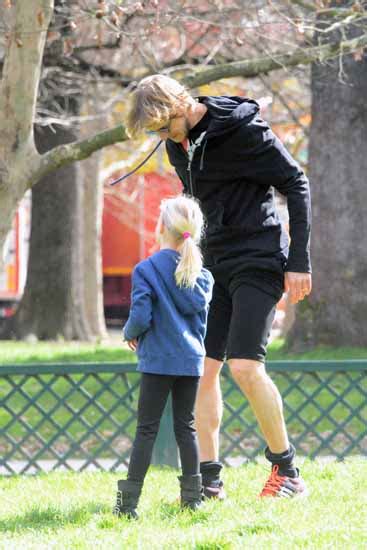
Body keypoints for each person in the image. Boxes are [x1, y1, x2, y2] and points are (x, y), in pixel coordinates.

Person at [125, 74, 312, 499]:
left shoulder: (243, 131)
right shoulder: (178, 144)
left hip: (259, 257)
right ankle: (210, 480)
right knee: (201, 371)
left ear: (178, 106)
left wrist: (299, 261)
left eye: (161, 126)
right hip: (213, 266)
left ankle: (287, 473)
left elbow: (296, 183)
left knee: (245, 366)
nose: (161, 137)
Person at [113, 195, 214, 519]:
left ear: (161, 228)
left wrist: (129, 333)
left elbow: (141, 316)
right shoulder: (204, 276)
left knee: (147, 430)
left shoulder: (146, 269)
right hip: (190, 361)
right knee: (187, 428)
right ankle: (192, 499)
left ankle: (128, 505)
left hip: (158, 360)